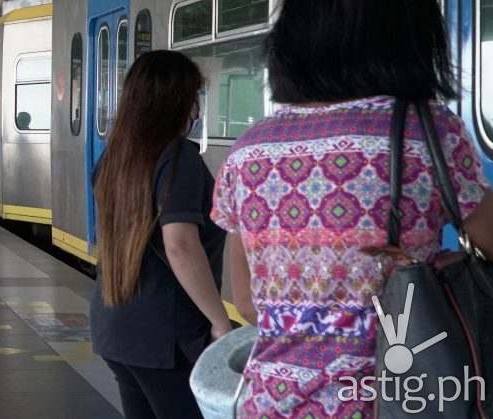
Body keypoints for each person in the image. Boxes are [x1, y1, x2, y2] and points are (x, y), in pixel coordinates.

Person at [210, 1, 493, 417]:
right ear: (408, 39)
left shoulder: (249, 150)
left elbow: (249, 305)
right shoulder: (429, 130)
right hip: (396, 403)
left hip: (270, 403)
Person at [90, 51, 230, 419]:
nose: (197, 112)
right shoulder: (178, 157)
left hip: (117, 328)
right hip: (166, 337)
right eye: (192, 98)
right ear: (171, 101)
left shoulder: (113, 158)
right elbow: (180, 245)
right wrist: (219, 321)